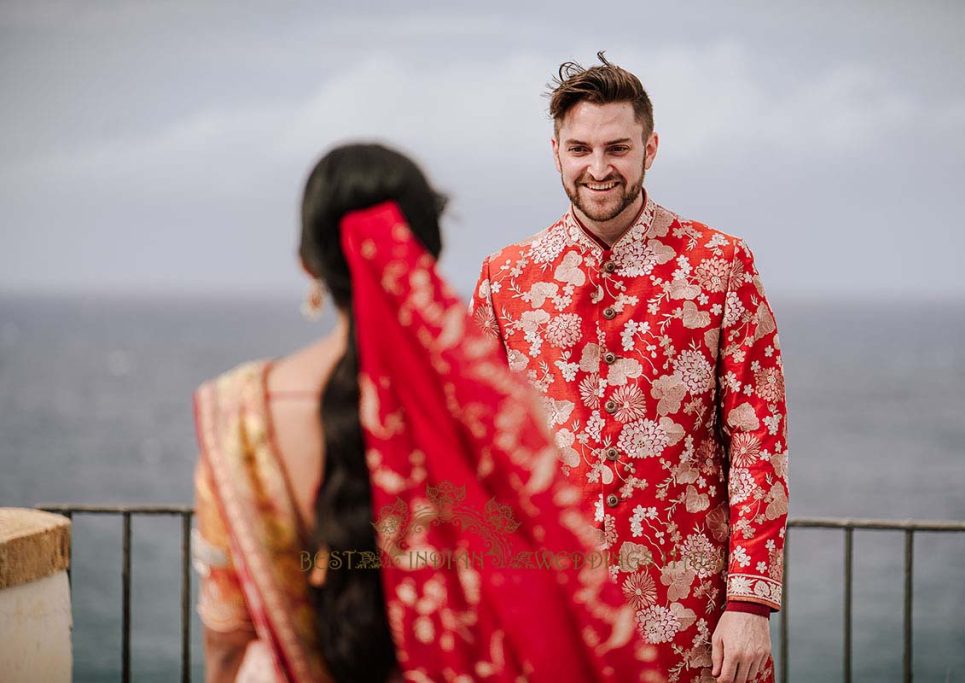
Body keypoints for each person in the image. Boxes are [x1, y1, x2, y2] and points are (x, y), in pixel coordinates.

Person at [190, 143, 664, 682]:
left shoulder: (242, 415)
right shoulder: (499, 409)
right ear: (426, 255)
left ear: (309, 264)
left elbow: (226, 631)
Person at [470, 54, 789, 683]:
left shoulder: (720, 264)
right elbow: (482, 451)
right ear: (556, 153)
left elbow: (759, 439)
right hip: (551, 620)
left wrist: (750, 603)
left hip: (694, 623)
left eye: (617, 147)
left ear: (650, 148)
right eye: (579, 149)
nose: (598, 168)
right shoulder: (505, 278)